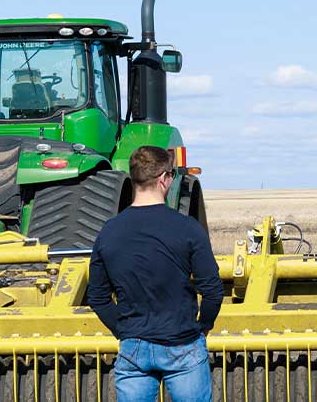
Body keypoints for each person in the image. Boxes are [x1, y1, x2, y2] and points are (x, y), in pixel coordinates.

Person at [85, 146, 224, 402]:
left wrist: (125, 331)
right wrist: (203, 327)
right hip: (183, 345)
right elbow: (213, 290)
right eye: (171, 175)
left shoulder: (108, 232)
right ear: (164, 178)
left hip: (133, 349)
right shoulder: (188, 228)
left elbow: (97, 296)